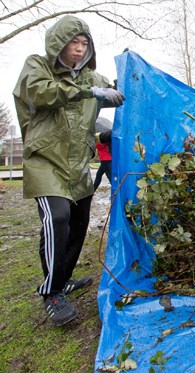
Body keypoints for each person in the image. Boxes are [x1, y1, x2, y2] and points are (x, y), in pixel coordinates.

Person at [13, 15, 125, 326]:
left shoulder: (92, 78)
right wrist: (89, 93)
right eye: (73, 42)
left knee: (78, 224)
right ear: (58, 44)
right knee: (58, 218)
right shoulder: (37, 66)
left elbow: (117, 92)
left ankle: (63, 279)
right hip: (46, 161)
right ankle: (51, 293)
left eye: (84, 43)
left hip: (77, 166)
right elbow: (40, 92)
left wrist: (131, 76)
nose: (78, 49)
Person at [94, 117, 113, 192]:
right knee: (98, 176)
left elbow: (99, 147)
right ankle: (92, 191)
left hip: (106, 160)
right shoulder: (104, 138)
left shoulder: (105, 139)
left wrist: (96, 142)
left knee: (110, 177)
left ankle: (117, 192)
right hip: (104, 161)